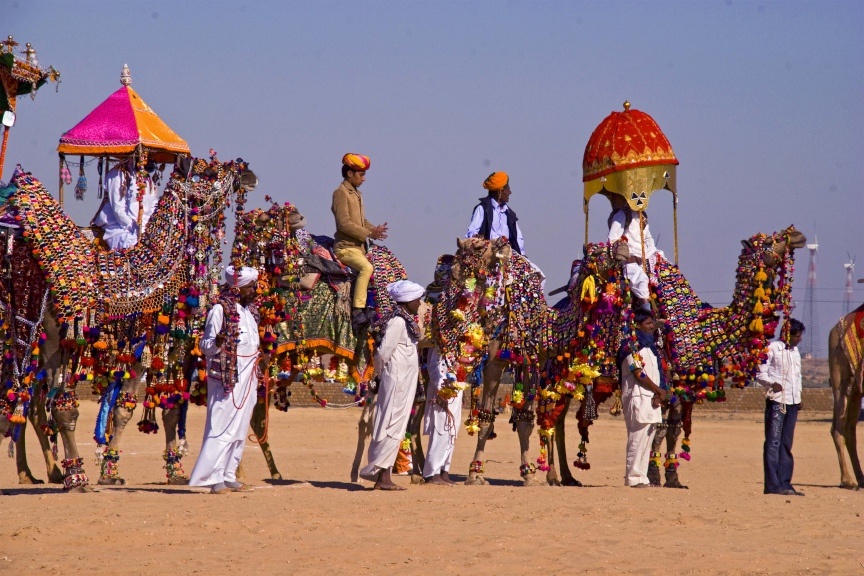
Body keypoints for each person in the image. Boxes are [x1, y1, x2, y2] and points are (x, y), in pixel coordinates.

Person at [188, 266, 264, 494]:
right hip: (227, 378)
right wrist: (218, 343)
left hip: (248, 377)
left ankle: (229, 474)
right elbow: (206, 347)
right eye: (250, 286)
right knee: (221, 426)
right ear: (237, 287)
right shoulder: (219, 310)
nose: (254, 290)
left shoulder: (250, 312)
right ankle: (212, 477)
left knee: (240, 428)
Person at [359, 279, 424, 490]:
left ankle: (383, 475)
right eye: (417, 300)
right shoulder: (397, 322)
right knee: (390, 424)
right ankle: (382, 476)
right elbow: (383, 352)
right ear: (407, 301)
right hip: (396, 380)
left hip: (403, 381)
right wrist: (378, 375)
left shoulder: (405, 321)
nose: (419, 303)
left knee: (395, 423)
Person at [331, 153, 389, 329]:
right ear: (350, 173)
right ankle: (357, 309)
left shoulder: (356, 194)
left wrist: (374, 231)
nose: (363, 178)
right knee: (366, 267)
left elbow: (362, 221)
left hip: (360, 248)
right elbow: (344, 224)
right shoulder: (340, 193)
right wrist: (367, 233)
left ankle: (372, 307)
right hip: (345, 248)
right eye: (361, 174)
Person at [618, 308, 666, 487]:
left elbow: (655, 373)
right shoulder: (631, 345)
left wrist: (658, 394)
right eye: (647, 323)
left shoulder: (651, 348)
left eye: (652, 322)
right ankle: (632, 477)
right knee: (637, 438)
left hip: (651, 399)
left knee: (647, 438)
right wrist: (659, 390)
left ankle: (642, 477)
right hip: (637, 397)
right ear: (637, 325)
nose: (652, 326)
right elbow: (639, 373)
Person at [758, 318, 805, 496]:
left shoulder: (795, 352)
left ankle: (785, 483)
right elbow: (760, 373)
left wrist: (799, 396)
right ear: (788, 334)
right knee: (773, 442)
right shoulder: (772, 349)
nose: (799, 339)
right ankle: (772, 485)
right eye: (797, 336)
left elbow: (798, 377)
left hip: (792, 402)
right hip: (777, 401)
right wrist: (772, 383)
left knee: (786, 443)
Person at [605, 192, 663, 311]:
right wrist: (621, 248)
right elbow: (612, 238)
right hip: (627, 260)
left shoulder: (642, 217)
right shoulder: (622, 215)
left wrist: (654, 255)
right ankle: (648, 314)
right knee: (641, 281)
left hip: (644, 259)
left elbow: (648, 238)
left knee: (665, 273)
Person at [92, 158, 160, 250]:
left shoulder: (148, 179)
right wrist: (136, 229)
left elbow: (153, 207)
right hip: (119, 230)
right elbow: (118, 210)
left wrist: (148, 229)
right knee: (139, 248)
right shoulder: (118, 174)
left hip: (144, 230)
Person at [422, 346, 463, 485]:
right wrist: (441, 390)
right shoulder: (439, 344)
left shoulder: (460, 344)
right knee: (441, 430)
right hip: (442, 391)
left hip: (456, 389)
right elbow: (434, 368)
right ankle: (432, 473)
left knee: (453, 430)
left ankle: (445, 470)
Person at [466, 171, 524, 255]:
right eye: (508, 189)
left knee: (534, 268)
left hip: (508, 255)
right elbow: (472, 232)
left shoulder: (510, 214)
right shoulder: (483, 208)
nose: (510, 192)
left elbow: (518, 238)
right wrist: (478, 239)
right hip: (487, 255)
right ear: (500, 192)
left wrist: (522, 255)